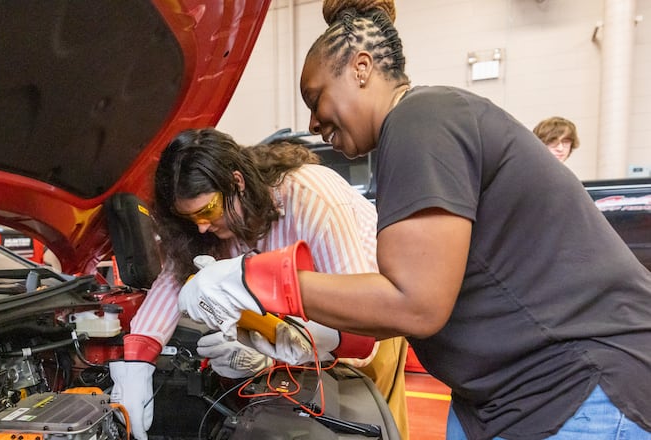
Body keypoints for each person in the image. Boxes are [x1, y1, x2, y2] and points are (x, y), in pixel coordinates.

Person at [177, 1, 651, 439]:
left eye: (316, 98)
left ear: (361, 68)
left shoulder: (421, 120)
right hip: (504, 395)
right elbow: (388, 310)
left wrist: (255, 277)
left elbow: (416, 304)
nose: (314, 123)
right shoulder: (412, 136)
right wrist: (284, 338)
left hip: (573, 388)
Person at [109, 128, 409, 440]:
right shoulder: (213, 227)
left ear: (237, 182)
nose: (200, 228)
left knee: (365, 422)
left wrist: (274, 354)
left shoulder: (311, 199)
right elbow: (170, 283)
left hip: (368, 325)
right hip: (292, 331)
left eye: (207, 210)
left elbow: (360, 334)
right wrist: (137, 365)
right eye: (189, 218)